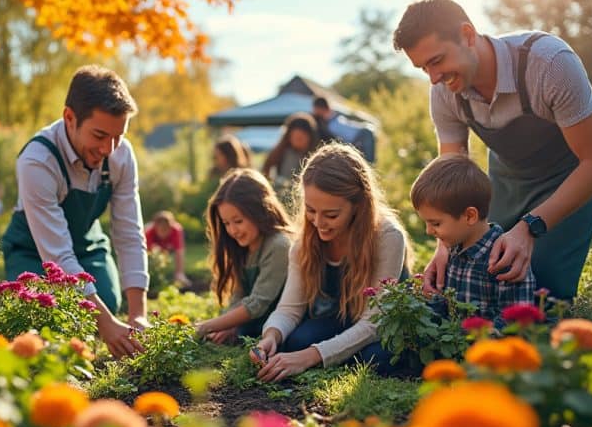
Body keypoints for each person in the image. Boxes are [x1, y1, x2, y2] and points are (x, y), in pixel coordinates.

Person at [393, 0, 592, 301]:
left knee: (543, 291)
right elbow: (450, 182)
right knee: (485, 274)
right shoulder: (444, 92)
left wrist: (530, 227)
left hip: (569, 178)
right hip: (506, 182)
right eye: (423, 69)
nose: (434, 79)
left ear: (467, 35)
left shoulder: (549, 64)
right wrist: (444, 247)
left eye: (437, 61)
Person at [1, 65, 149, 358]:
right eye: (99, 135)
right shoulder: (37, 160)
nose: (109, 148)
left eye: (117, 136)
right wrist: (106, 324)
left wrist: (138, 315)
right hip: (32, 249)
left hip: (86, 244)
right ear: (70, 118)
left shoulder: (121, 154)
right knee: (40, 316)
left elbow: (129, 232)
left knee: (106, 299)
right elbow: (56, 253)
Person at [249, 143, 411, 380]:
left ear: (358, 205)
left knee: (376, 358)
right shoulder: (305, 242)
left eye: (331, 215)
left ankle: (335, 355)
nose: (318, 222)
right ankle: (337, 354)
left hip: (383, 322)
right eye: (311, 210)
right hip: (343, 317)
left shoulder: (387, 236)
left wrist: (309, 357)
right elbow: (289, 310)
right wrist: (270, 336)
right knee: (295, 341)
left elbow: (374, 322)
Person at [411, 154, 536, 326]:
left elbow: (516, 323)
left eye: (436, 223)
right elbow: (445, 311)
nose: (428, 231)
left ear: (470, 216)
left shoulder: (504, 259)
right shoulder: (453, 248)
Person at [197, 169, 293, 343]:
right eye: (226, 223)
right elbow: (239, 295)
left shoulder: (278, 245)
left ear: (260, 210)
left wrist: (206, 326)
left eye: (238, 221)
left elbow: (258, 303)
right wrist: (228, 324)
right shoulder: (242, 247)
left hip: (277, 324)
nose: (232, 230)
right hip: (253, 319)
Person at [262, 112, 320, 188]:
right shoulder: (281, 152)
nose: (298, 141)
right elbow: (266, 170)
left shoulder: (316, 158)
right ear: (289, 136)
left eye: (301, 138)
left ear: (310, 137)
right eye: (295, 137)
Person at [311, 97, 377, 163]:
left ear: (320, 108)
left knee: (369, 162)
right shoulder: (325, 122)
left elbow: (354, 116)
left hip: (362, 134)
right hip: (356, 139)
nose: (314, 111)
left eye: (315, 109)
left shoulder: (334, 115)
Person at [144, 210, 191, 288]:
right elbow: (146, 254)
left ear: (170, 227)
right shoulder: (148, 231)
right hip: (154, 249)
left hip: (168, 247)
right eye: (161, 230)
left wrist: (179, 273)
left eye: (165, 229)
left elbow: (179, 252)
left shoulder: (176, 230)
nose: (163, 233)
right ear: (155, 227)